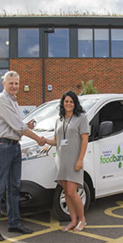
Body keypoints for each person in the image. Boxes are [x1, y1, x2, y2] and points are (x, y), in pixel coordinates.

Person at [0, 71, 45, 241]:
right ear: (4, 84)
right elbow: (17, 126)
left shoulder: (14, 102)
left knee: (14, 188)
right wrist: (38, 139)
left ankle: (14, 223)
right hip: (2, 147)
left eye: (17, 83)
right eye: (11, 83)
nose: (14, 86)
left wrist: (26, 125)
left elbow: (17, 125)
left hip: (14, 146)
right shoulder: (1, 100)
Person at [45, 91, 89, 232]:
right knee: (66, 192)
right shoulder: (59, 119)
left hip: (74, 160)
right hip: (61, 161)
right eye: (66, 101)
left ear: (75, 103)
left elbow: (84, 139)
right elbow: (56, 141)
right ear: (62, 103)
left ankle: (82, 220)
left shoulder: (81, 118)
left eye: (71, 101)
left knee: (72, 192)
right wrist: (44, 141)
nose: (68, 104)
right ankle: (73, 220)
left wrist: (80, 159)